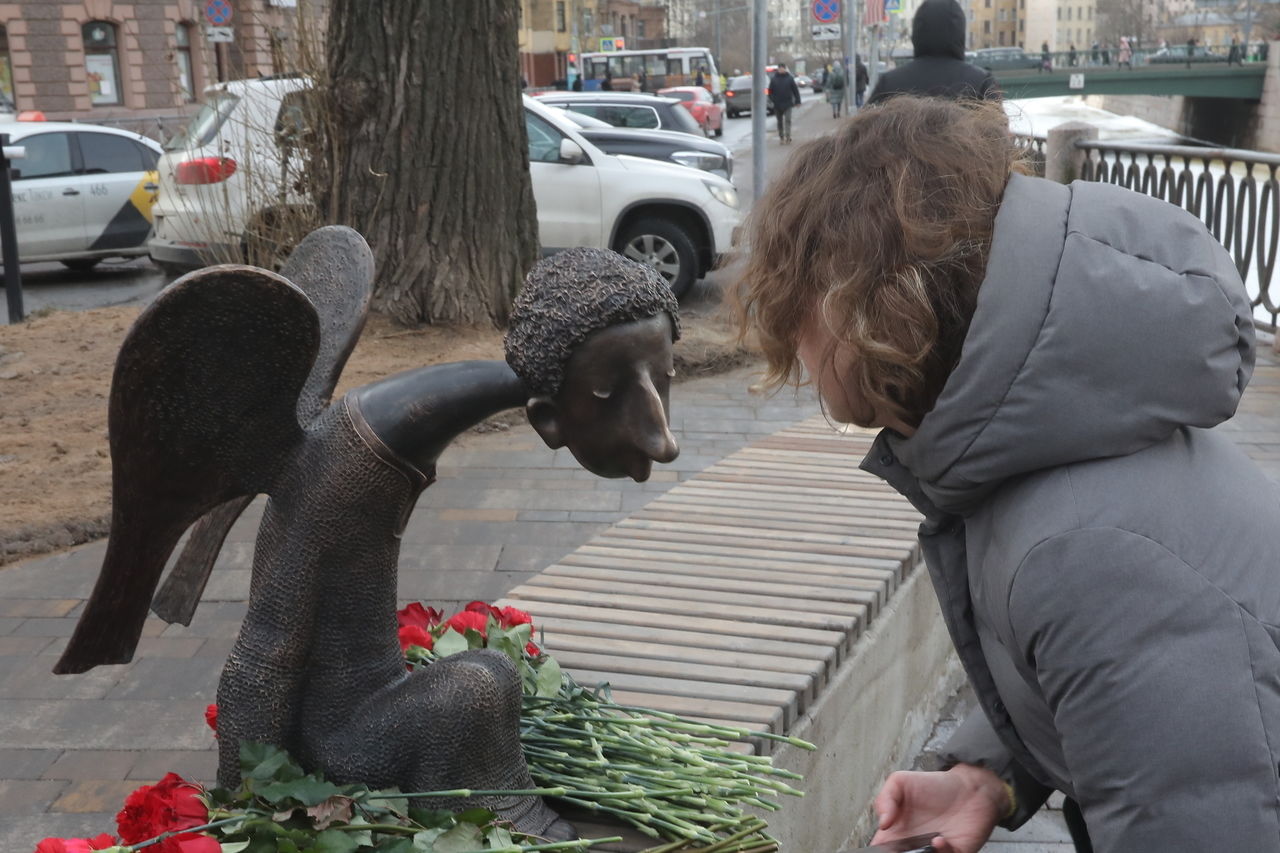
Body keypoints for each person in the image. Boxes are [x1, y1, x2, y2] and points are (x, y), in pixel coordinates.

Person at [732, 95, 1280, 852]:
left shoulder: (1089, 555)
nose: (793, 331)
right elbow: (1109, 685)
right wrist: (987, 773)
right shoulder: (1045, 439)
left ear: (888, 311)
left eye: (804, 299)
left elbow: (1195, 806)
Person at [56, 232, 684, 842]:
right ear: (546, 419)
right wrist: (250, 809)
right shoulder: (344, 473)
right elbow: (262, 654)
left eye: (664, 378)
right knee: (482, 681)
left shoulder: (373, 451)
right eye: (610, 393)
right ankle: (491, 822)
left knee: (480, 677)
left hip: (364, 700)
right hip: (340, 742)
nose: (664, 438)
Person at [867, 0, 998, 104]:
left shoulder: (889, 83)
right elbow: (998, 133)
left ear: (917, 32)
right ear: (960, 33)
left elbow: (861, 132)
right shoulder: (981, 82)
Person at [768, 62, 802, 144]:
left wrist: (798, 101)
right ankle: (781, 137)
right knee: (779, 122)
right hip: (777, 104)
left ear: (785, 69)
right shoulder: (774, 79)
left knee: (788, 120)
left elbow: (795, 90)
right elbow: (770, 91)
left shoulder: (789, 78)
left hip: (788, 103)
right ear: (778, 69)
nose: (781, 70)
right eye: (780, 68)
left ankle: (788, 136)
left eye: (782, 68)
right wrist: (773, 99)